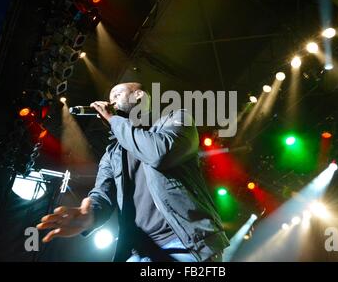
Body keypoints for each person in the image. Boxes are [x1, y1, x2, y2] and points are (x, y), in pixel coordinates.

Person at [36, 82, 229, 262]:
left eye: (117, 95)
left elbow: (159, 154)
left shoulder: (175, 119)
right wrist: (88, 215)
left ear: (139, 96)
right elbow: (102, 196)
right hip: (139, 251)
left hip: (185, 243)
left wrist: (114, 120)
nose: (110, 102)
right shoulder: (111, 154)